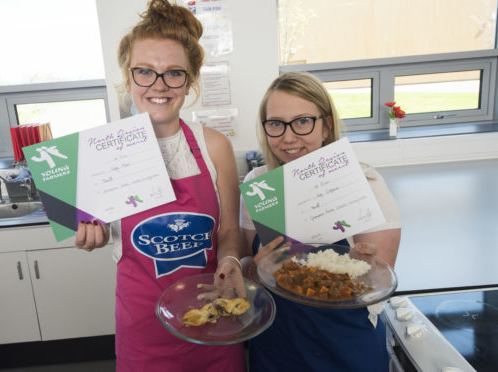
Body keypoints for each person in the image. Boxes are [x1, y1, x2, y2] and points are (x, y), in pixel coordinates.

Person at [74, 1, 246, 371]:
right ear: (128, 76)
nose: (159, 86)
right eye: (145, 72)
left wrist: (231, 261)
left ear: (191, 79)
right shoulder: (102, 153)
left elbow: (230, 229)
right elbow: (99, 231)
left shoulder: (215, 146)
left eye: (173, 73)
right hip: (144, 329)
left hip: (214, 316)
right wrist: (95, 236)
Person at [240, 71, 402, 371]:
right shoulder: (259, 185)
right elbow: (248, 275)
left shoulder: (364, 184)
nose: (288, 137)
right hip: (277, 346)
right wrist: (254, 269)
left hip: (346, 348)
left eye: (302, 121)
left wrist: (360, 266)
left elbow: (379, 282)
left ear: (326, 126)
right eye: (276, 124)